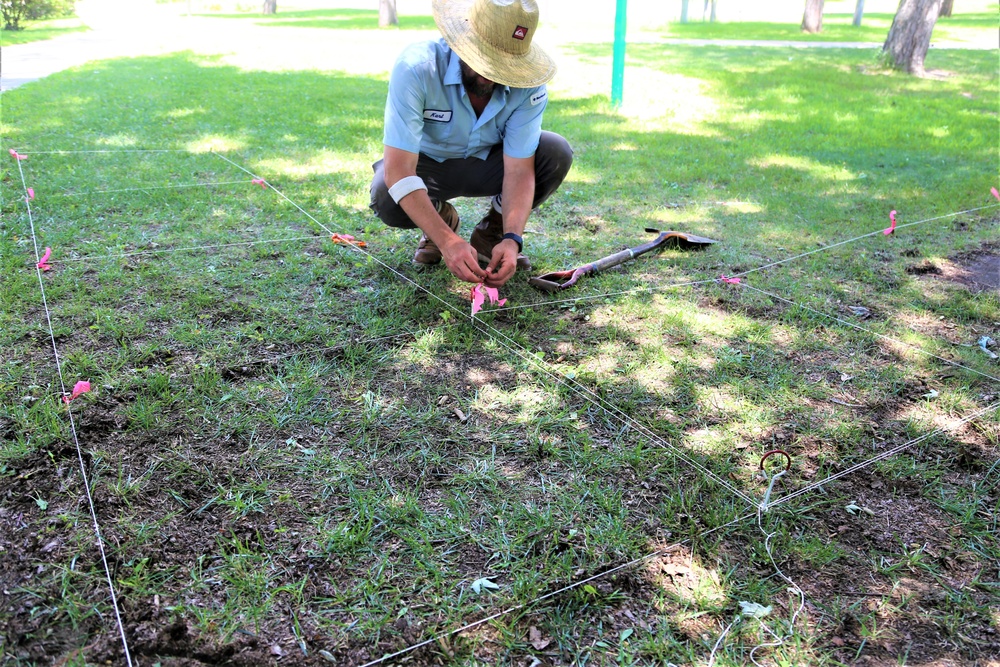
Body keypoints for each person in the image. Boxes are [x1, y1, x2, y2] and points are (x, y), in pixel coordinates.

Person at [369, 0, 573, 288]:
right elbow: (400, 170)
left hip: (489, 166)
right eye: (484, 59)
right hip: (426, 169)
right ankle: (440, 218)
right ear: (463, 41)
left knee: (555, 152)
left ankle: (491, 234)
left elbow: (518, 171)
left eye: (505, 65)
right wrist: (447, 240)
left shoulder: (529, 87)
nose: (490, 75)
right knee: (386, 194)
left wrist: (512, 238)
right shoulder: (416, 68)